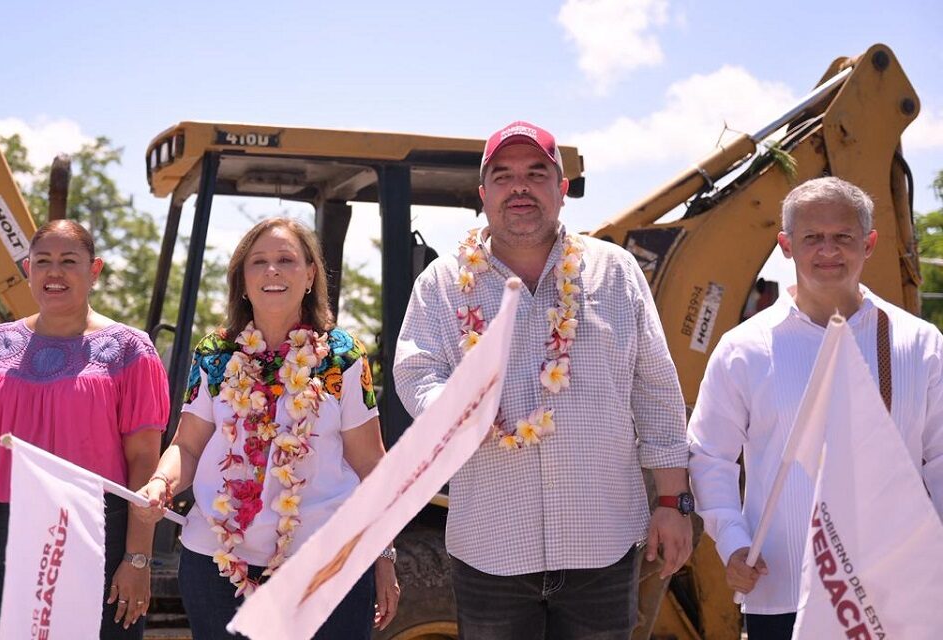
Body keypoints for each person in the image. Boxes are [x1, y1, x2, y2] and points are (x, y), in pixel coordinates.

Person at [393, 121, 693, 639]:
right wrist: (454, 408)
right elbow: (416, 371)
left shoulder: (615, 273)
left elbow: (656, 391)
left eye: (536, 173)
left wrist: (672, 503)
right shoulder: (441, 284)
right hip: (490, 548)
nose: (520, 187)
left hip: (602, 543)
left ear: (562, 188)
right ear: (484, 195)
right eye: (504, 176)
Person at [687, 176, 943, 640]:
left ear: (868, 243)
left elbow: (941, 458)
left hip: (897, 595)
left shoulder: (919, 344)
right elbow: (709, 456)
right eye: (812, 238)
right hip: (782, 592)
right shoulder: (743, 348)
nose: (829, 250)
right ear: (786, 245)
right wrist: (732, 542)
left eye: (843, 236)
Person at [133, 217, 400, 639]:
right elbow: (187, 446)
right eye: (258, 262)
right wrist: (161, 483)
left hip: (326, 566)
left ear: (310, 274)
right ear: (241, 278)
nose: (272, 270)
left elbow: (370, 462)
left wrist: (383, 554)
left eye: (286, 260)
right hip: (218, 567)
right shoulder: (214, 354)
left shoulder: (344, 359)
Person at [0, 220, 169, 639]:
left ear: (95, 270)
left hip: (97, 534)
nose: (54, 272)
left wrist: (138, 558)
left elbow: (144, 460)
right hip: (5, 530)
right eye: (43, 262)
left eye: (69, 261)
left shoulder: (131, 349)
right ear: (27, 269)